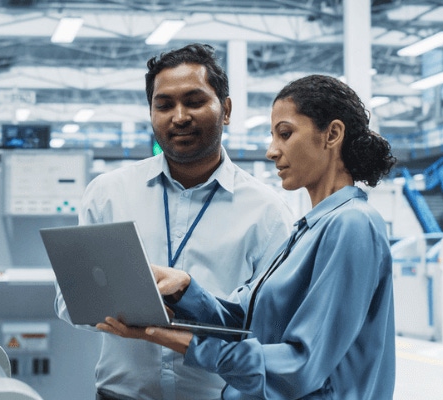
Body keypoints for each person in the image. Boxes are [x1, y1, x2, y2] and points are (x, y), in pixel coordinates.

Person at [97, 74, 398, 399]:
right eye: (273, 136)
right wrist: (184, 289)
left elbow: (300, 366)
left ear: (332, 134)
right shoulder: (308, 230)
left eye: (285, 134)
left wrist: (171, 338)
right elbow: (247, 320)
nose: (272, 151)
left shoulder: (352, 224)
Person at [54, 43, 295, 400]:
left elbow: (273, 326)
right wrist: (120, 308)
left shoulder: (267, 211)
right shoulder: (108, 193)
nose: (179, 117)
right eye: (164, 105)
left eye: (194, 102)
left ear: (226, 110)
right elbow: (68, 300)